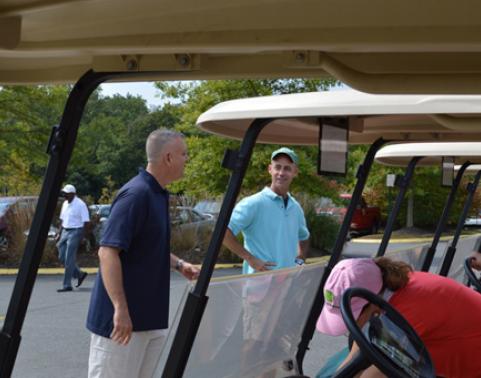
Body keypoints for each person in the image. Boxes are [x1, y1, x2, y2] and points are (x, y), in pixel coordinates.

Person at [86, 129, 200, 378]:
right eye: (184, 154)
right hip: (122, 324)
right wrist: (121, 309)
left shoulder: (158, 194)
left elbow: (148, 247)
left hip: (150, 319)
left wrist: (180, 265)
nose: (187, 159)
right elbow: (107, 252)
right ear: (168, 158)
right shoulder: (136, 194)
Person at [316, 257, 481, 378]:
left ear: (370, 304)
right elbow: (359, 349)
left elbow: (376, 373)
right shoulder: (388, 287)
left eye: (353, 315)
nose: (348, 325)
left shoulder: (408, 312)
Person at [223, 147, 310, 274]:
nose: (281, 172)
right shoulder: (252, 203)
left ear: (295, 172)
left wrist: (300, 260)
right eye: (277, 167)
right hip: (258, 285)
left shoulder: (295, 208)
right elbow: (223, 233)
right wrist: (250, 259)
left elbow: (304, 237)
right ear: (270, 169)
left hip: (288, 283)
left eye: (287, 168)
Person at [56, 184, 90, 292]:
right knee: (62, 256)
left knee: (69, 258)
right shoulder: (65, 203)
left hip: (76, 231)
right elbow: (62, 219)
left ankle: (67, 285)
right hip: (65, 230)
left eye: (66, 194)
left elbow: (86, 221)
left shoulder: (80, 204)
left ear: (73, 194)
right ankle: (79, 274)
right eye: (64, 193)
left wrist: (83, 237)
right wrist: (58, 233)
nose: (64, 195)